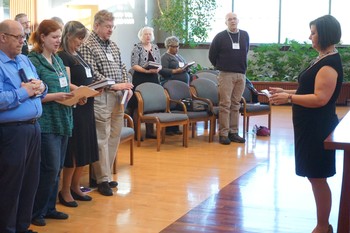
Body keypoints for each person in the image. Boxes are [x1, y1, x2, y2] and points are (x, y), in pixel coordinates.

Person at [269, 15, 342, 233]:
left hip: (317, 127)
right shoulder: (322, 57)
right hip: (308, 126)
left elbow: (320, 98)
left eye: (313, 32)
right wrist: (286, 92)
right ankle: (323, 224)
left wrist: (289, 99)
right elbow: (308, 91)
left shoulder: (329, 64)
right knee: (314, 176)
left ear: (325, 34)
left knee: (318, 177)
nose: (310, 36)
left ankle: (322, 226)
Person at [79, 10, 133, 196]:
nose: (111, 30)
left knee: (113, 137)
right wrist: (116, 85)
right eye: (107, 26)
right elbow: (92, 73)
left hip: (119, 96)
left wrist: (126, 85)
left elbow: (123, 67)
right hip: (102, 96)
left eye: (112, 26)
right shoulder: (88, 45)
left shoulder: (113, 46)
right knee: (101, 137)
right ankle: (101, 179)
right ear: (96, 26)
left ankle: (105, 175)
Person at [0, 19, 46, 233]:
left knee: (30, 181)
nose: (23, 41)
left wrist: (41, 86)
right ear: (3, 37)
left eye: (23, 37)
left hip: (33, 127)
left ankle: (22, 227)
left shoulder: (25, 61)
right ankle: (7, 228)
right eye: (18, 37)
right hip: (12, 132)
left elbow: (40, 87)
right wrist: (24, 92)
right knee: (11, 184)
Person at [28, 19, 74, 226]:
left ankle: (50, 207)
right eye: (54, 37)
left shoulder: (55, 59)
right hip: (46, 121)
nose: (58, 41)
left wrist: (76, 94)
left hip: (63, 118)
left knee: (57, 168)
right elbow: (34, 93)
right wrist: (56, 96)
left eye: (59, 37)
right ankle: (36, 211)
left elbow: (63, 85)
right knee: (49, 167)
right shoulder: (33, 60)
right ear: (42, 37)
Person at [57, 21, 99, 207]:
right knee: (74, 150)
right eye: (79, 38)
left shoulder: (78, 54)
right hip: (76, 105)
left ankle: (76, 186)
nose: (81, 42)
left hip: (87, 105)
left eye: (83, 38)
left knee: (84, 148)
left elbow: (87, 76)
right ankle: (65, 190)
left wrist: (96, 88)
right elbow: (65, 82)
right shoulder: (62, 56)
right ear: (68, 36)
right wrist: (81, 91)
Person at [208, 12, 249, 145]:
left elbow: (246, 51)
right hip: (225, 74)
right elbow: (212, 55)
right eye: (229, 19)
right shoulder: (220, 37)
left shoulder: (244, 35)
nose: (232, 21)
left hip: (241, 74)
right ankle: (223, 133)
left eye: (234, 19)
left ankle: (234, 132)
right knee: (225, 104)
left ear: (238, 20)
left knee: (236, 104)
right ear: (225, 22)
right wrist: (221, 66)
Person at [129, 26, 162, 139]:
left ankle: (150, 132)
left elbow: (160, 63)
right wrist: (146, 71)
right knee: (138, 105)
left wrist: (158, 69)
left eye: (149, 34)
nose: (148, 36)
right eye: (145, 34)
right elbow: (134, 64)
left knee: (151, 104)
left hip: (153, 77)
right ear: (141, 36)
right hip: (140, 77)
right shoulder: (137, 47)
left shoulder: (155, 47)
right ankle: (136, 133)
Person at [161, 35, 191, 135]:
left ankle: (176, 126)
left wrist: (187, 68)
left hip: (182, 85)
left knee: (179, 105)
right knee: (172, 105)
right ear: (168, 46)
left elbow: (183, 65)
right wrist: (175, 71)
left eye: (177, 46)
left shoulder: (179, 56)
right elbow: (162, 70)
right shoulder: (165, 57)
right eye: (173, 46)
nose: (176, 48)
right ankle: (169, 128)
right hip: (171, 85)